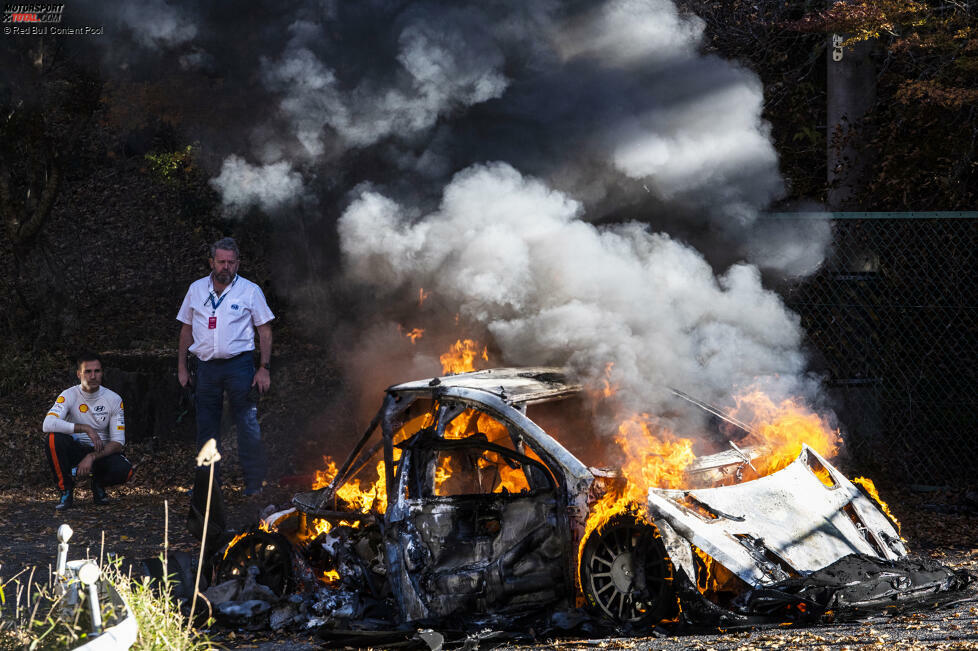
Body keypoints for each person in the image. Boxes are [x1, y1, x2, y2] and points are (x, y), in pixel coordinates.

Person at [177, 237, 274, 496]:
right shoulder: (196, 290)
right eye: (221, 262)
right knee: (206, 426)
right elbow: (186, 330)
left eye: (231, 262)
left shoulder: (250, 291)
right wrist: (182, 368)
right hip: (206, 367)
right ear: (212, 262)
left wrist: (263, 367)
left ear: (238, 264)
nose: (226, 267)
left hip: (239, 366)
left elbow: (264, 330)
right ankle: (208, 485)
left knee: (247, 424)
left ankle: (254, 483)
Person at [43, 352, 133, 511]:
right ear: (79, 374)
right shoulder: (68, 395)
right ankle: (66, 489)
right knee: (52, 438)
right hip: (75, 450)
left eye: (97, 371)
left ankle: (98, 483)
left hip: (100, 452)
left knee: (126, 471)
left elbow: (118, 443)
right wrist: (85, 428)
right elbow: (47, 424)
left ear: (102, 373)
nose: (93, 376)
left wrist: (91, 456)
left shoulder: (114, 399)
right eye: (88, 371)